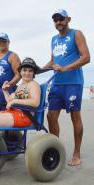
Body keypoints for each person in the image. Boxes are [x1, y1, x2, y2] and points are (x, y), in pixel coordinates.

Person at [44, 9, 90, 166]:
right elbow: (52, 61)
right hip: (56, 84)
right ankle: (55, 148)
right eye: (55, 19)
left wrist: (66, 68)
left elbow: (86, 57)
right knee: (50, 116)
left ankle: (76, 154)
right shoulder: (53, 39)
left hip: (73, 83)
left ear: (68, 19)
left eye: (61, 19)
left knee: (75, 117)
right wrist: (37, 70)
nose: (58, 22)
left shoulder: (76, 34)